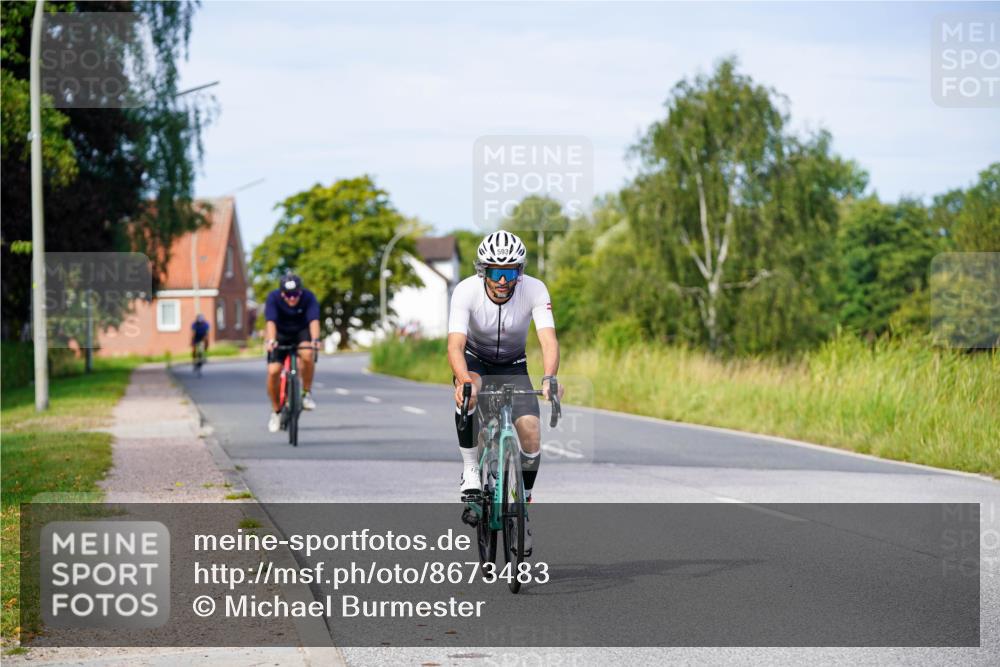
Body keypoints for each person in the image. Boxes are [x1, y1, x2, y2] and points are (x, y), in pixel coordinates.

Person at [447, 231, 564, 556]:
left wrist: (549, 377)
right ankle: (471, 468)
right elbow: (455, 345)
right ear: (482, 270)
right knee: (470, 392)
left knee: (530, 431)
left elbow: (548, 339)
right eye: (495, 271)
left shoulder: (535, 289)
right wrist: (462, 380)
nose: (502, 279)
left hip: (513, 364)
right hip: (475, 361)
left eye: (510, 271)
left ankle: (522, 503)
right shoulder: (466, 291)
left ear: (519, 272)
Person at [264, 273, 321, 432]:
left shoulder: (308, 298)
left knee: (308, 354)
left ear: (300, 292)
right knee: (273, 370)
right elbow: (271, 322)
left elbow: (314, 321)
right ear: (282, 294)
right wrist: (271, 341)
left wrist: (315, 339)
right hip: (280, 334)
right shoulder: (273, 298)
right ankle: (276, 411)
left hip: (300, 332)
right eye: (288, 295)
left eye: (295, 294)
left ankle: (306, 393)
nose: (292, 299)